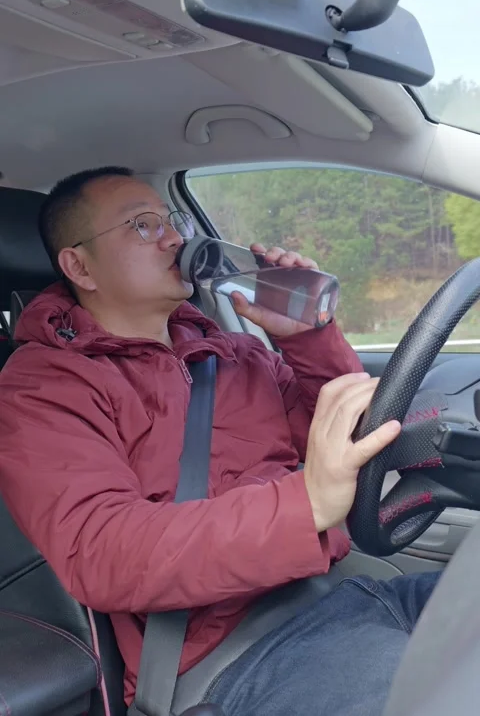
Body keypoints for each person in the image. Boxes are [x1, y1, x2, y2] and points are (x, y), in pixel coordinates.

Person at [0, 167, 440, 716]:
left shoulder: (233, 350)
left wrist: (308, 337)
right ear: (79, 265)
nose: (174, 238)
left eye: (173, 219)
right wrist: (303, 506)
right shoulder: (45, 384)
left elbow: (352, 440)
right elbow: (102, 550)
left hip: (338, 590)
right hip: (229, 654)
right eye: (142, 225)